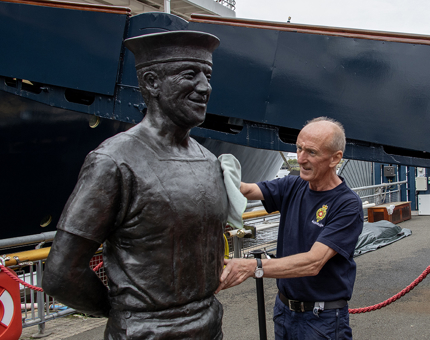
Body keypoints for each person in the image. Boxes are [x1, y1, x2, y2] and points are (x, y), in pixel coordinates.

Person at [42, 31, 229, 339]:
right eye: (189, 74)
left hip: (210, 325)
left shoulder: (209, 161)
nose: (204, 87)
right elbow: (61, 274)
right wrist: (126, 312)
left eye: (207, 75)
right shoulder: (113, 161)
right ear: (152, 82)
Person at [215, 117, 364, 340]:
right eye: (298, 148)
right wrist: (215, 171)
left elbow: (313, 262)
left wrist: (252, 266)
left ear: (336, 158)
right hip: (284, 311)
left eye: (311, 152)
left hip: (321, 320)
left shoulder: (347, 204)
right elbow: (246, 190)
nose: (301, 158)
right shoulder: (293, 184)